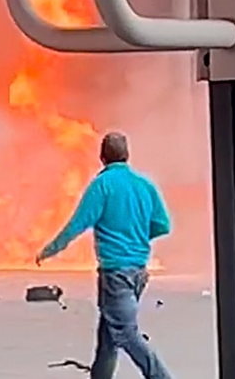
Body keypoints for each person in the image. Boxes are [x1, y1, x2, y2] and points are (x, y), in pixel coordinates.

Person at [35, 131, 174, 379]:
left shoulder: (103, 186)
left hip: (116, 273)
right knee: (108, 337)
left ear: (102, 157)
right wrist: (139, 238)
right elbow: (162, 224)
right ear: (127, 155)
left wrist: (50, 249)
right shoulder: (144, 185)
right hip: (139, 272)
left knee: (125, 333)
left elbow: (78, 223)